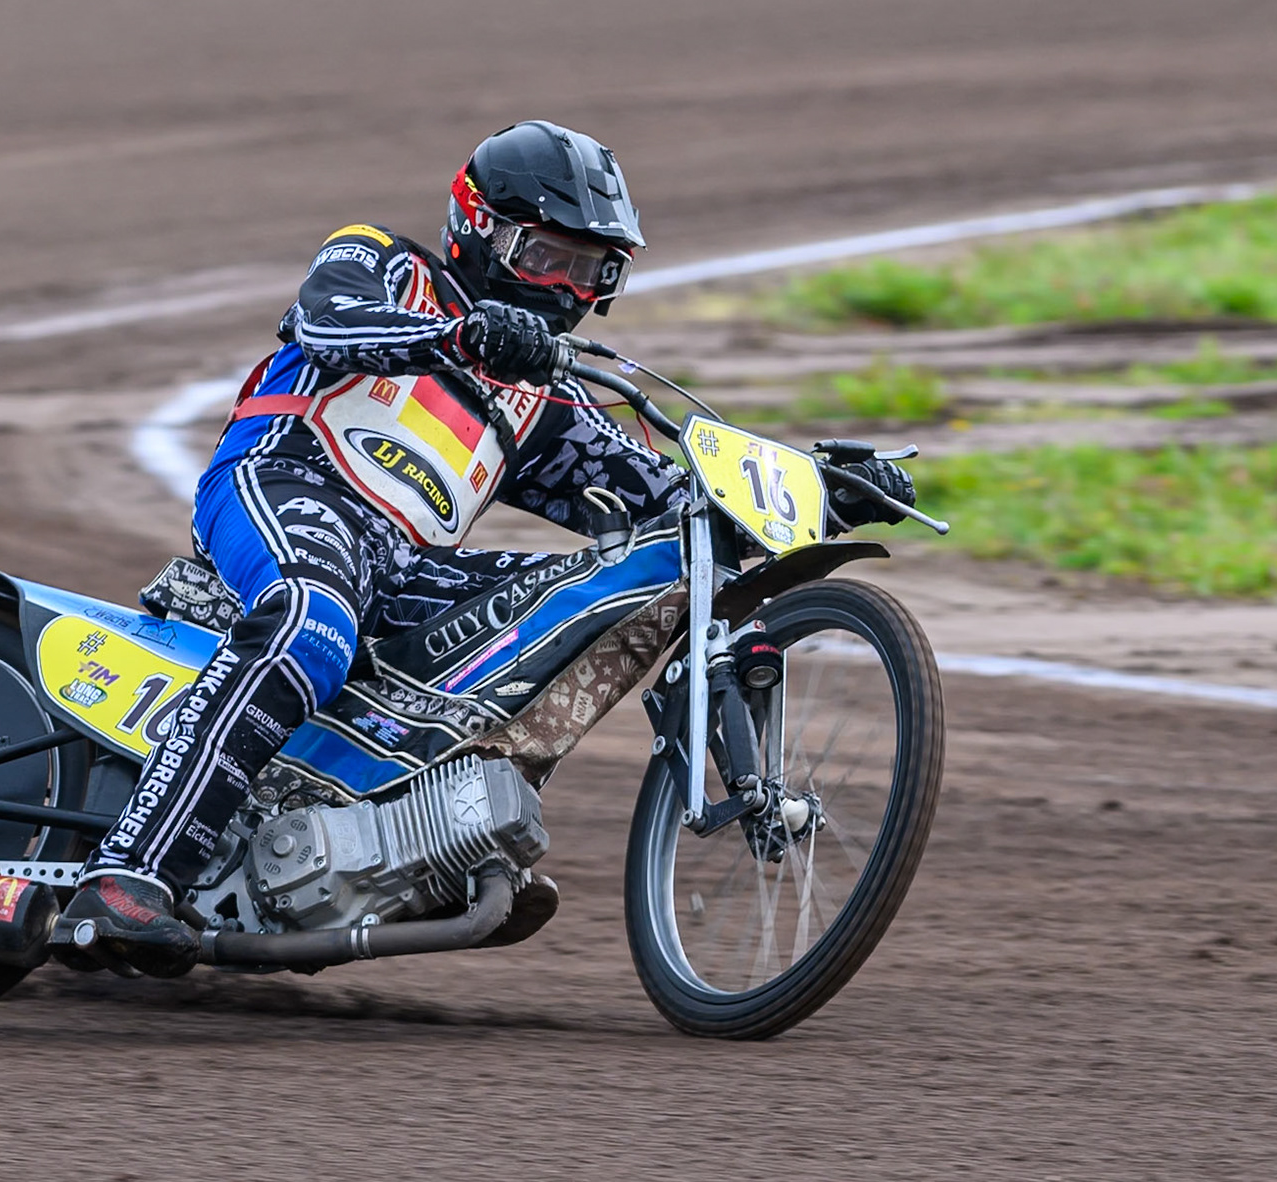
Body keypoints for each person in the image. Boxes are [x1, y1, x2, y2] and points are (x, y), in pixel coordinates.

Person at [52, 120, 913, 976]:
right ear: (478, 229)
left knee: (576, 607)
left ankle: (412, 834)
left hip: (401, 564)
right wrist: (462, 337)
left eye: (592, 270)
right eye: (547, 257)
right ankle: (127, 876)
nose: (567, 288)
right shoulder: (384, 261)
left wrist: (824, 491)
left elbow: (673, 498)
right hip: (285, 485)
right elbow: (327, 322)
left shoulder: (544, 401)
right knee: (312, 620)